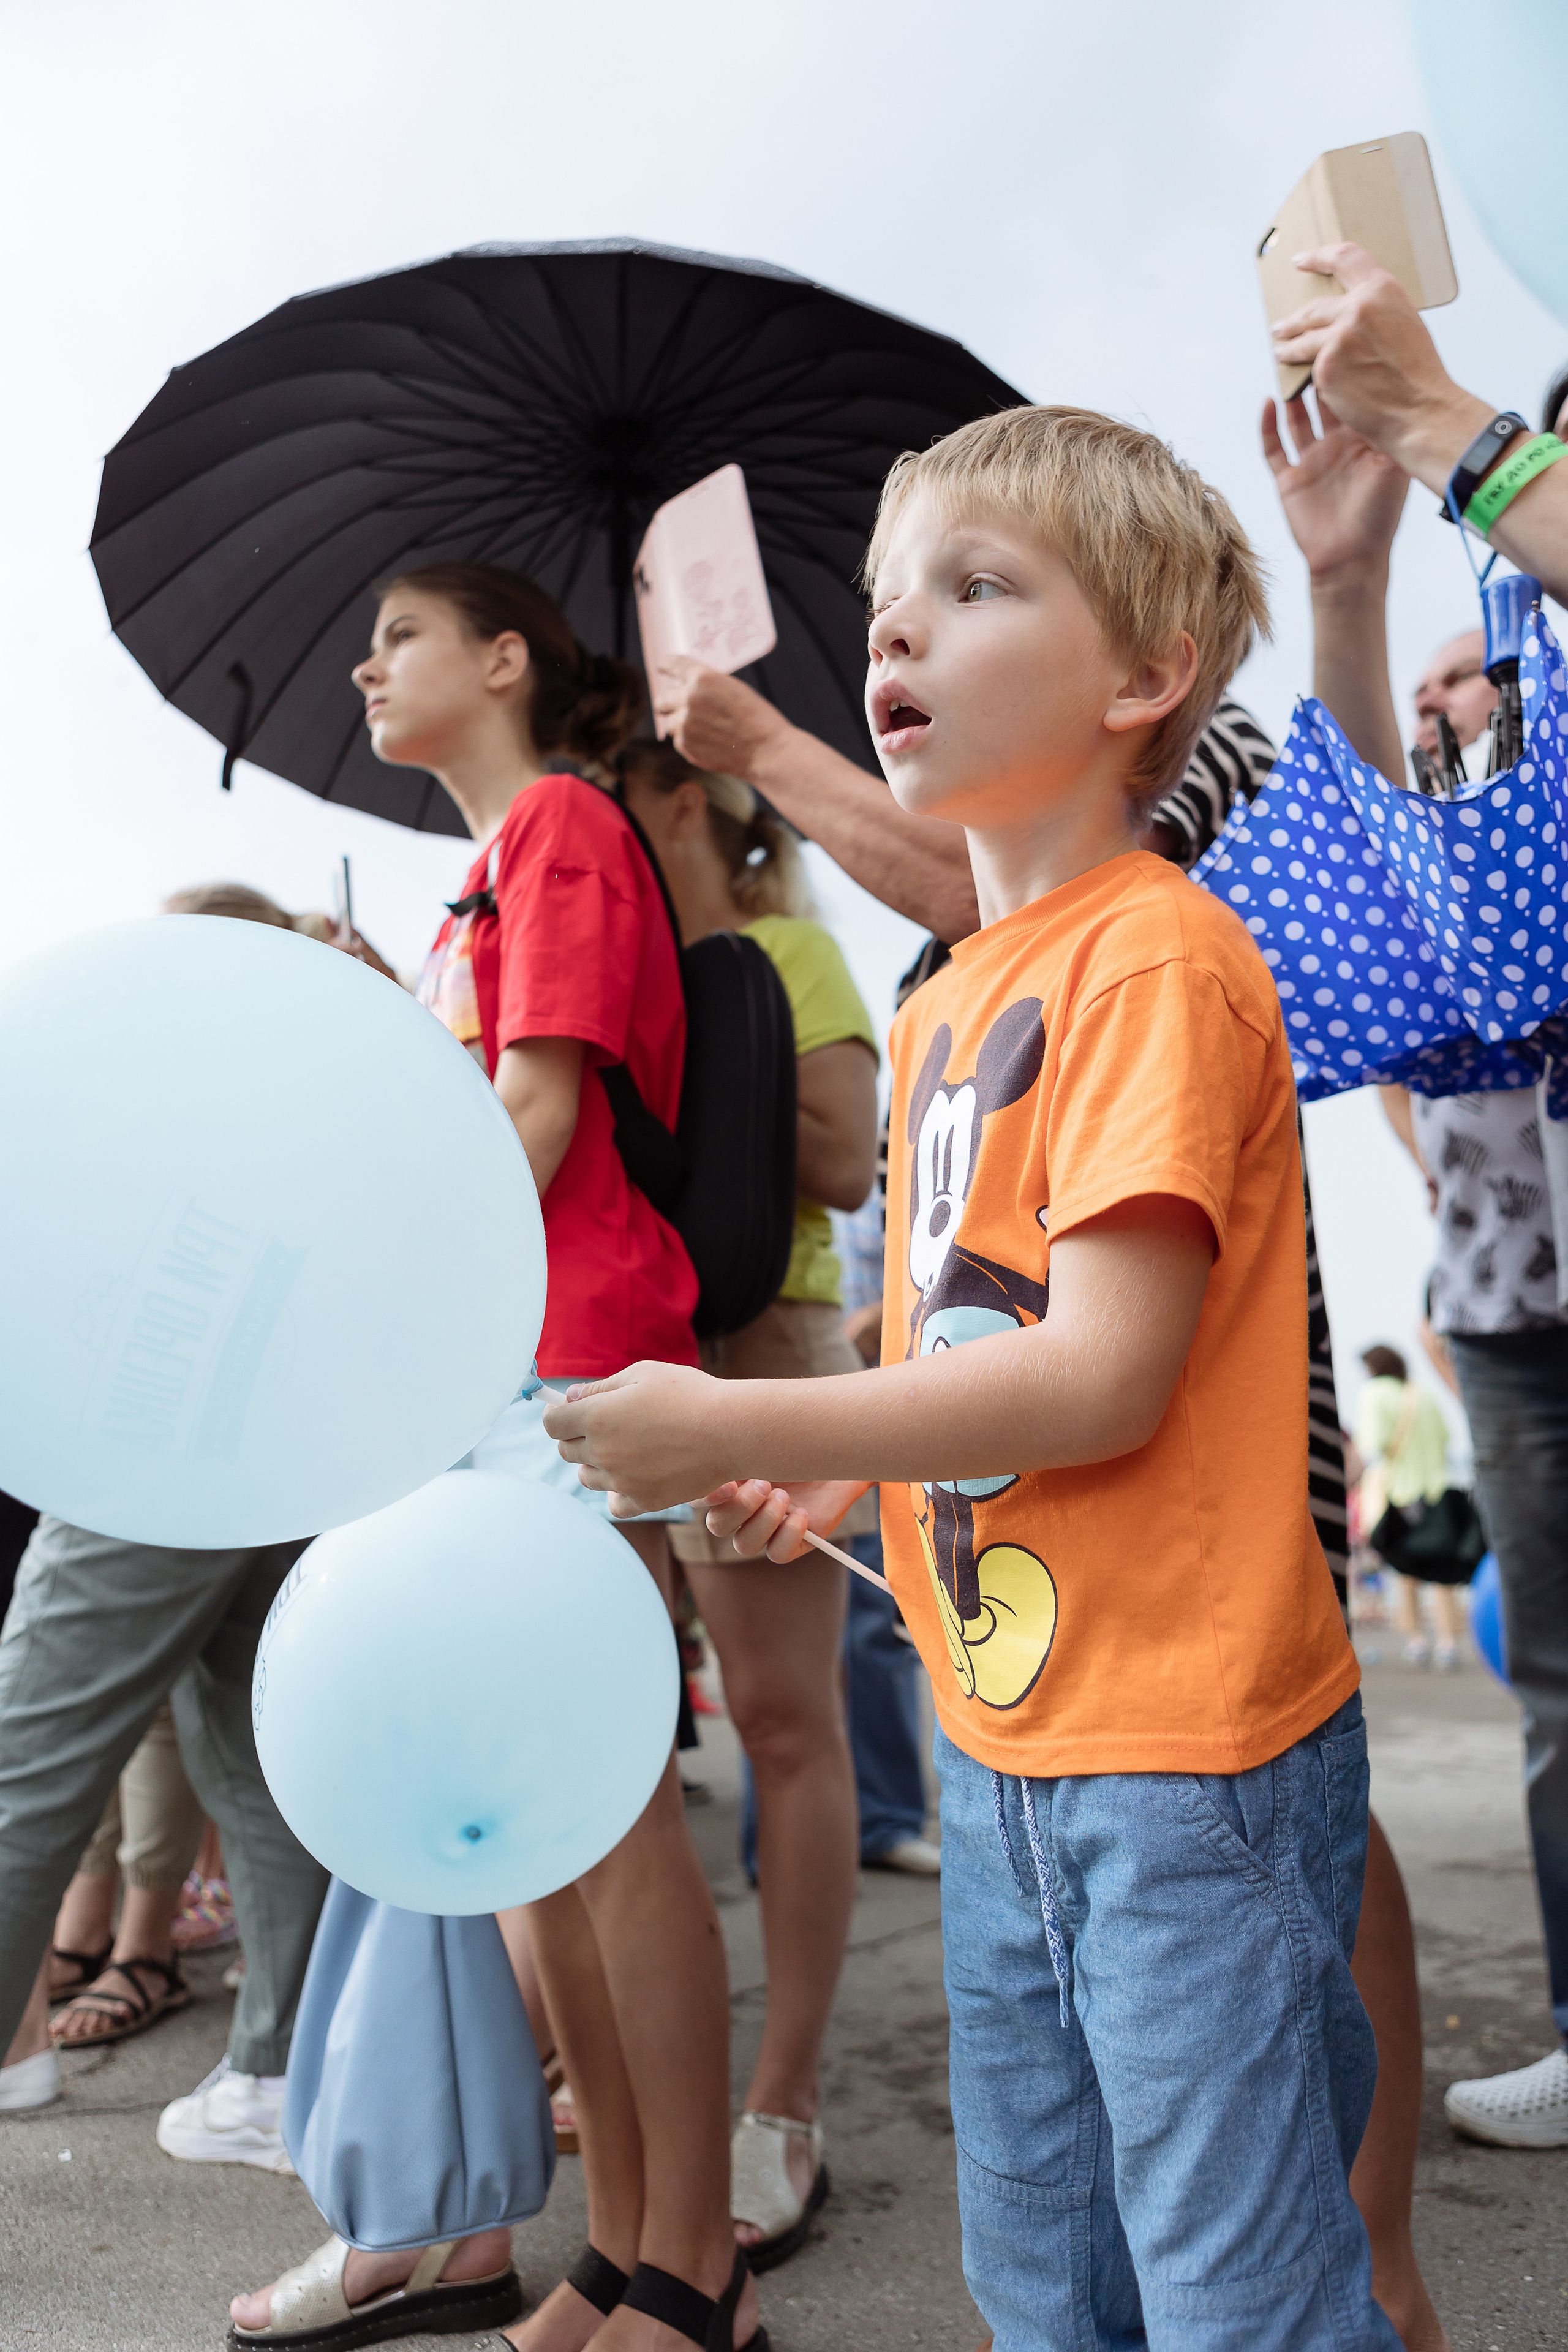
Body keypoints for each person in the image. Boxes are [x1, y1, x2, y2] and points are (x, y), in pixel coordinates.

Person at [546, 404, 1402, 2350]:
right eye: (881, 600)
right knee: (1041, 2276)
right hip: (1004, 1737)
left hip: (1181, 1763)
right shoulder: (954, 996)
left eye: (973, 587)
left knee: (1232, 2290)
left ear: (1146, 675)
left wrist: (743, 1417)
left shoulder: (1156, 959)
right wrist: (850, 1480)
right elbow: (955, 1336)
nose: (894, 636)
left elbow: (1099, 1373)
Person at [231, 565, 761, 2352]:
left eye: (397, 635)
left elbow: (537, 1118)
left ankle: (697, 2267)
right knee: (540, 1838)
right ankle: (620, 2252)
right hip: (502, 1373)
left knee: (609, 1830)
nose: (369, 666)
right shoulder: (485, 876)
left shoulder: (556, 819)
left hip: (575, 1363)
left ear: (506, 657)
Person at [1262, 297, 1568, 2155]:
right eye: (1445, 684)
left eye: (1483, 672)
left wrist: (1452, 422)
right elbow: (1356, 855)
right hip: (1509, 1303)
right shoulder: (1479, 830)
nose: (1462, 698)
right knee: (1550, 1684)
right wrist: (1350, 581)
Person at [0, 883, 347, 2129]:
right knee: (257, 1773)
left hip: (149, 1452)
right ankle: (280, 2077)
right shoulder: (318, 1097)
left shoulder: (189, 1099)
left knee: (24, 1767)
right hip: (270, 1457)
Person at [619, 739, 878, 2266]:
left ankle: (780, 2099)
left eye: (622, 779)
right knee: (616, 1733)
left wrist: (702, 1060)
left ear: (686, 801)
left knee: (785, 1727)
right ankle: (645, 2069)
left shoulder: (790, 951)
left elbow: (845, 1165)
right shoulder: (602, 950)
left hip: (764, 1341)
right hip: (623, 1353)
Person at [1354, 1347, 1464, 1672]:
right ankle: (1448, 1642)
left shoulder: (1375, 1394)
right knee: (1443, 1569)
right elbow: (1445, 1439)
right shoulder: (1425, 1396)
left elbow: (1370, 1444)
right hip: (1438, 1491)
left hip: (1401, 1494)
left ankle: (1417, 1641)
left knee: (1405, 1570)